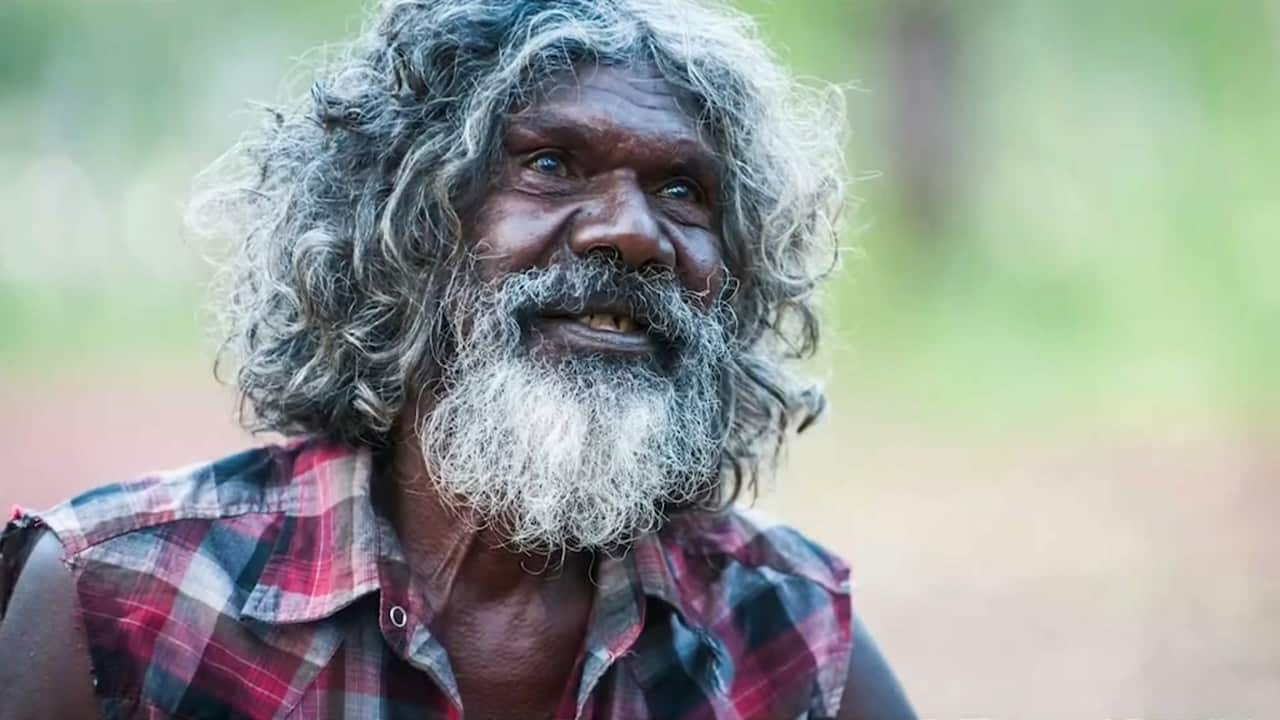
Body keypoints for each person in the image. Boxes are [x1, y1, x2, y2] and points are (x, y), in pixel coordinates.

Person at [0, 1, 915, 717]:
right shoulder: (127, 605)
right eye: (551, 165)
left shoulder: (781, 631)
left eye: (683, 190)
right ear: (399, 229)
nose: (635, 234)